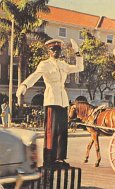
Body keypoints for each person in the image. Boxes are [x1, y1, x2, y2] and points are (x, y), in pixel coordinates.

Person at [16, 38, 84, 168]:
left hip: (63, 100)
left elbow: (79, 67)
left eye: (58, 50)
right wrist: (24, 85)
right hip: (51, 99)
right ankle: (49, 159)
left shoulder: (63, 64)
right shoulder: (45, 64)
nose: (56, 52)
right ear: (49, 51)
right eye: (53, 50)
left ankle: (60, 158)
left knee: (63, 130)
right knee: (51, 130)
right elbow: (35, 76)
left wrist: (77, 53)